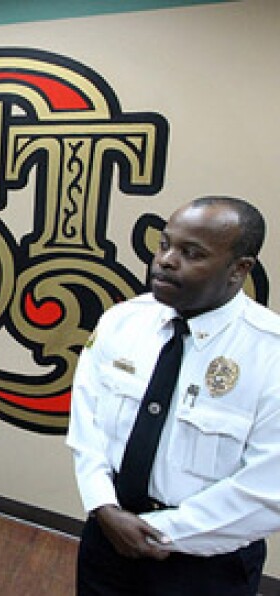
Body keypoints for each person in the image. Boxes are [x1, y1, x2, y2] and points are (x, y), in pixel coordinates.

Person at [67, 196, 280, 595]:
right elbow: (87, 425)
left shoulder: (270, 354)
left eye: (191, 253)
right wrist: (103, 506)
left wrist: (157, 532)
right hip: (108, 538)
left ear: (240, 269)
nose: (165, 260)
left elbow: (269, 488)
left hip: (204, 564)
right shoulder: (121, 323)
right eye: (165, 244)